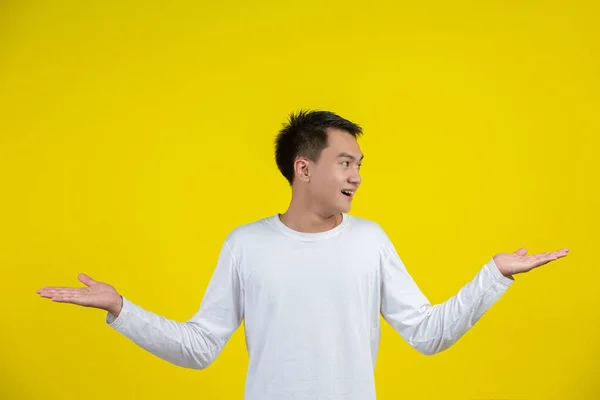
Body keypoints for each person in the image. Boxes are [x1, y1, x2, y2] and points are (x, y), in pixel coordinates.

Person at [37, 110, 569, 400]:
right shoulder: (245, 244)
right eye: (344, 163)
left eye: (360, 164)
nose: (357, 176)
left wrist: (493, 276)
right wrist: (120, 309)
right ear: (304, 168)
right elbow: (200, 347)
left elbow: (427, 334)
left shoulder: (370, 239)